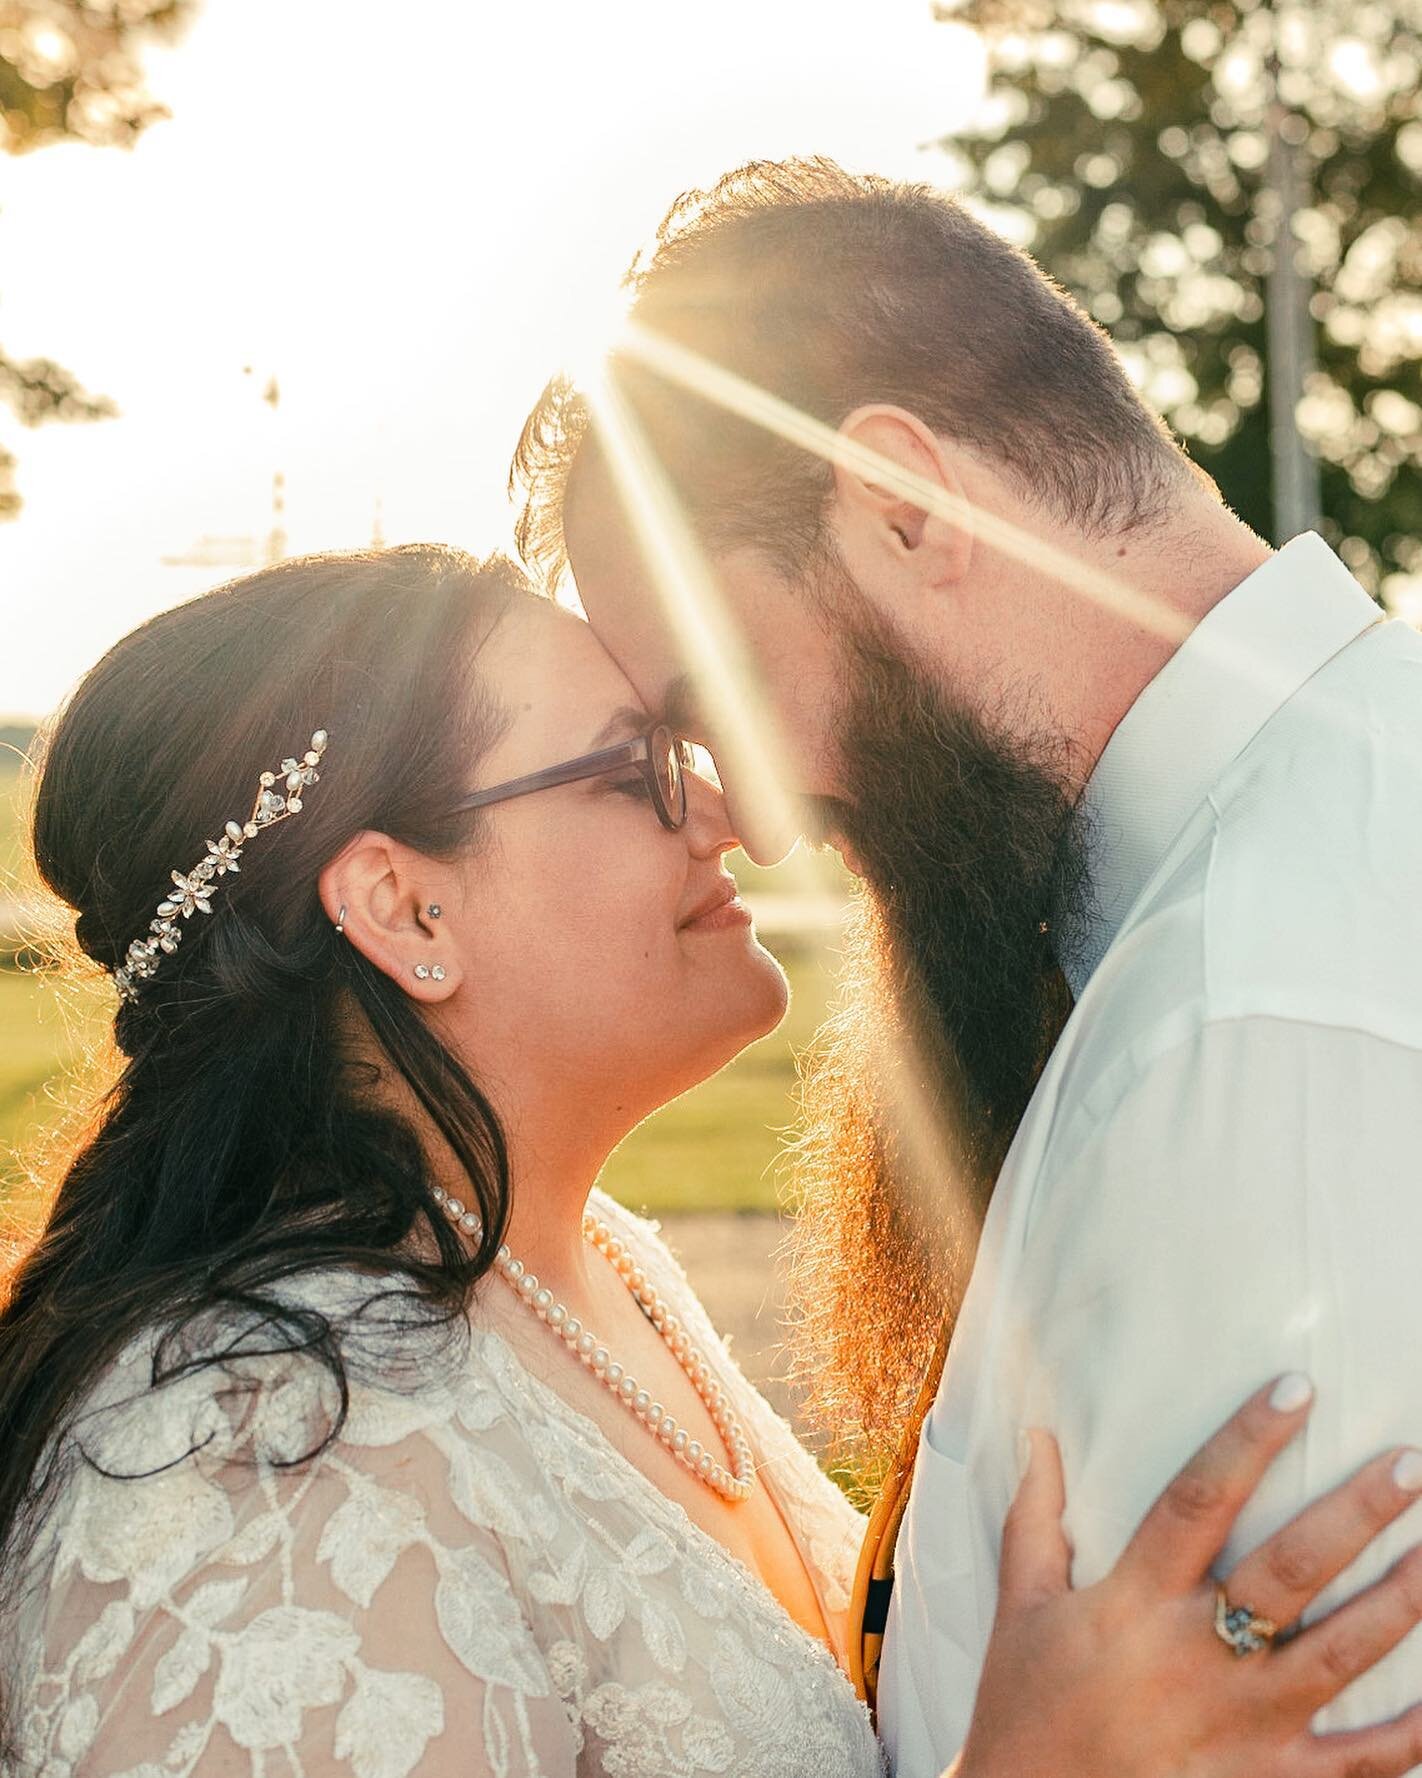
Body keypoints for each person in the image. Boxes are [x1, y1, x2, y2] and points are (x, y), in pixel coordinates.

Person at [2, 544, 1420, 1778]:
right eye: (630, 769)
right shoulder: (258, 1465)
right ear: (401, 900)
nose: (731, 814)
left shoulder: (598, 1259)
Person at [511, 157, 1422, 1771]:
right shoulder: (1318, 822)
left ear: (902, 505)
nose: (768, 827)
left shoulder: (1245, 1026)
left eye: (716, 704)